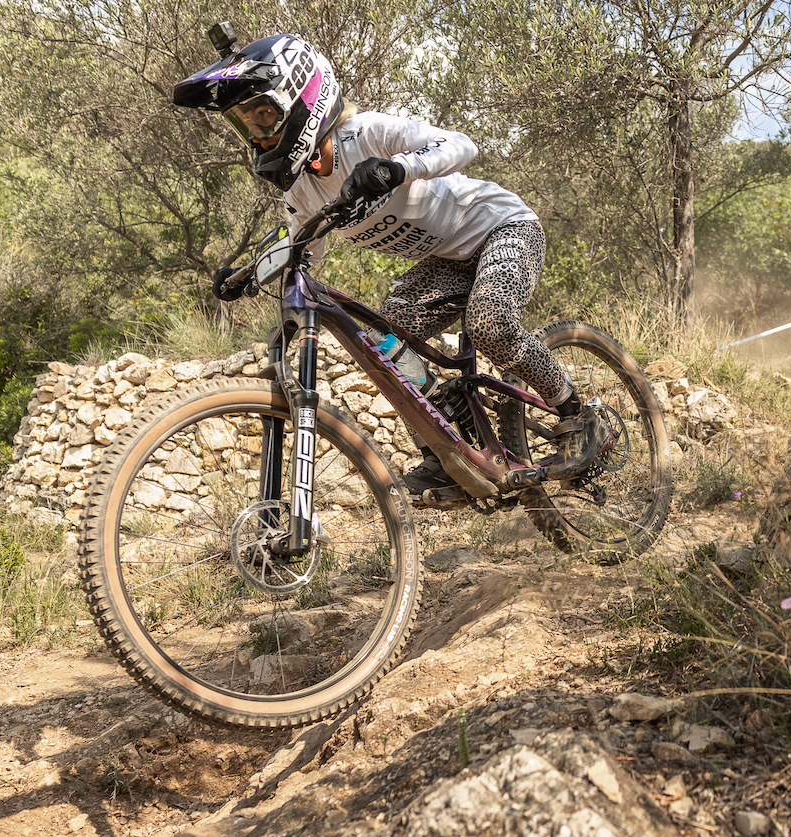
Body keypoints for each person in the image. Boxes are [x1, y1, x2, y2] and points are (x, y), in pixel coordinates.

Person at [172, 29, 601, 493]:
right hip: (446, 261)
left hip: (501, 227)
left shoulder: (366, 134)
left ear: (301, 96)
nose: (257, 133)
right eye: (246, 124)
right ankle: (453, 447)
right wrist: (247, 276)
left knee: (490, 324)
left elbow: (461, 145)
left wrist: (398, 167)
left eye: (264, 116)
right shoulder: (301, 191)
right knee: (381, 342)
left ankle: (578, 414)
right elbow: (301, 252)